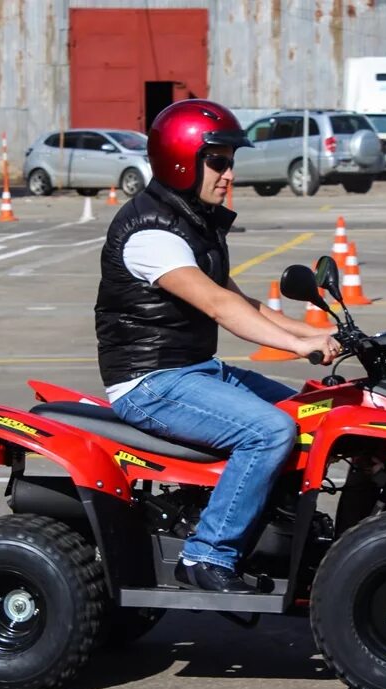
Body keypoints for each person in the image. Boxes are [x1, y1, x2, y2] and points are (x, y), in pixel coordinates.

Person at [94, 99, 339, 594]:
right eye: (219, 162)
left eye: (231, 162)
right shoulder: (150, 232)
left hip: (194, 371)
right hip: (151, 383)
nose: (229, 175)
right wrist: (299, 348)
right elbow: (219, 307)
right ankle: (206, 555)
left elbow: (241, 300)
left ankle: (284, 529)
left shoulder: (193, 219)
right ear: (183, 159)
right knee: (269, 432)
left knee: (311, 412)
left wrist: (319, 332)